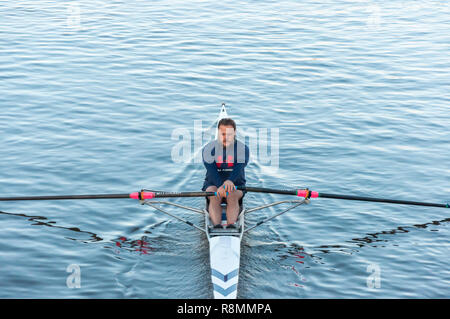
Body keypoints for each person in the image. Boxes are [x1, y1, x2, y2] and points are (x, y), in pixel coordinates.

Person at [202, 117, 249, 229]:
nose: (226, 138)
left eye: (229, 134)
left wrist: (229, 182)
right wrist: (221, 186)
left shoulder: (243, 149)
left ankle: (231, 226)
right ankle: (217, 226)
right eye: (223, 134)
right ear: (218, 133)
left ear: (235, 133)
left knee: (231, 195)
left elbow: (239, 168)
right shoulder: (208, 149)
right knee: (214, 195)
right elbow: (212, 171)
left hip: (237, 186)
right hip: (213, 185)